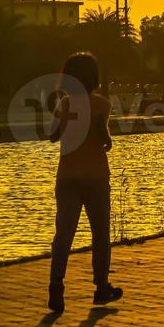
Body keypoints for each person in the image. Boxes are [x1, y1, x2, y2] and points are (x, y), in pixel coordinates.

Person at [47, 52, 123, 313]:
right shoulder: (101, 104)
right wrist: (107, 140)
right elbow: (102, 133)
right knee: (100, 233)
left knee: (64, 233)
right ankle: (101, 287)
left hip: (67, 176)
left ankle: (56, 286)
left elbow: (52, 136)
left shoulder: (65, 105)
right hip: (95, 178)